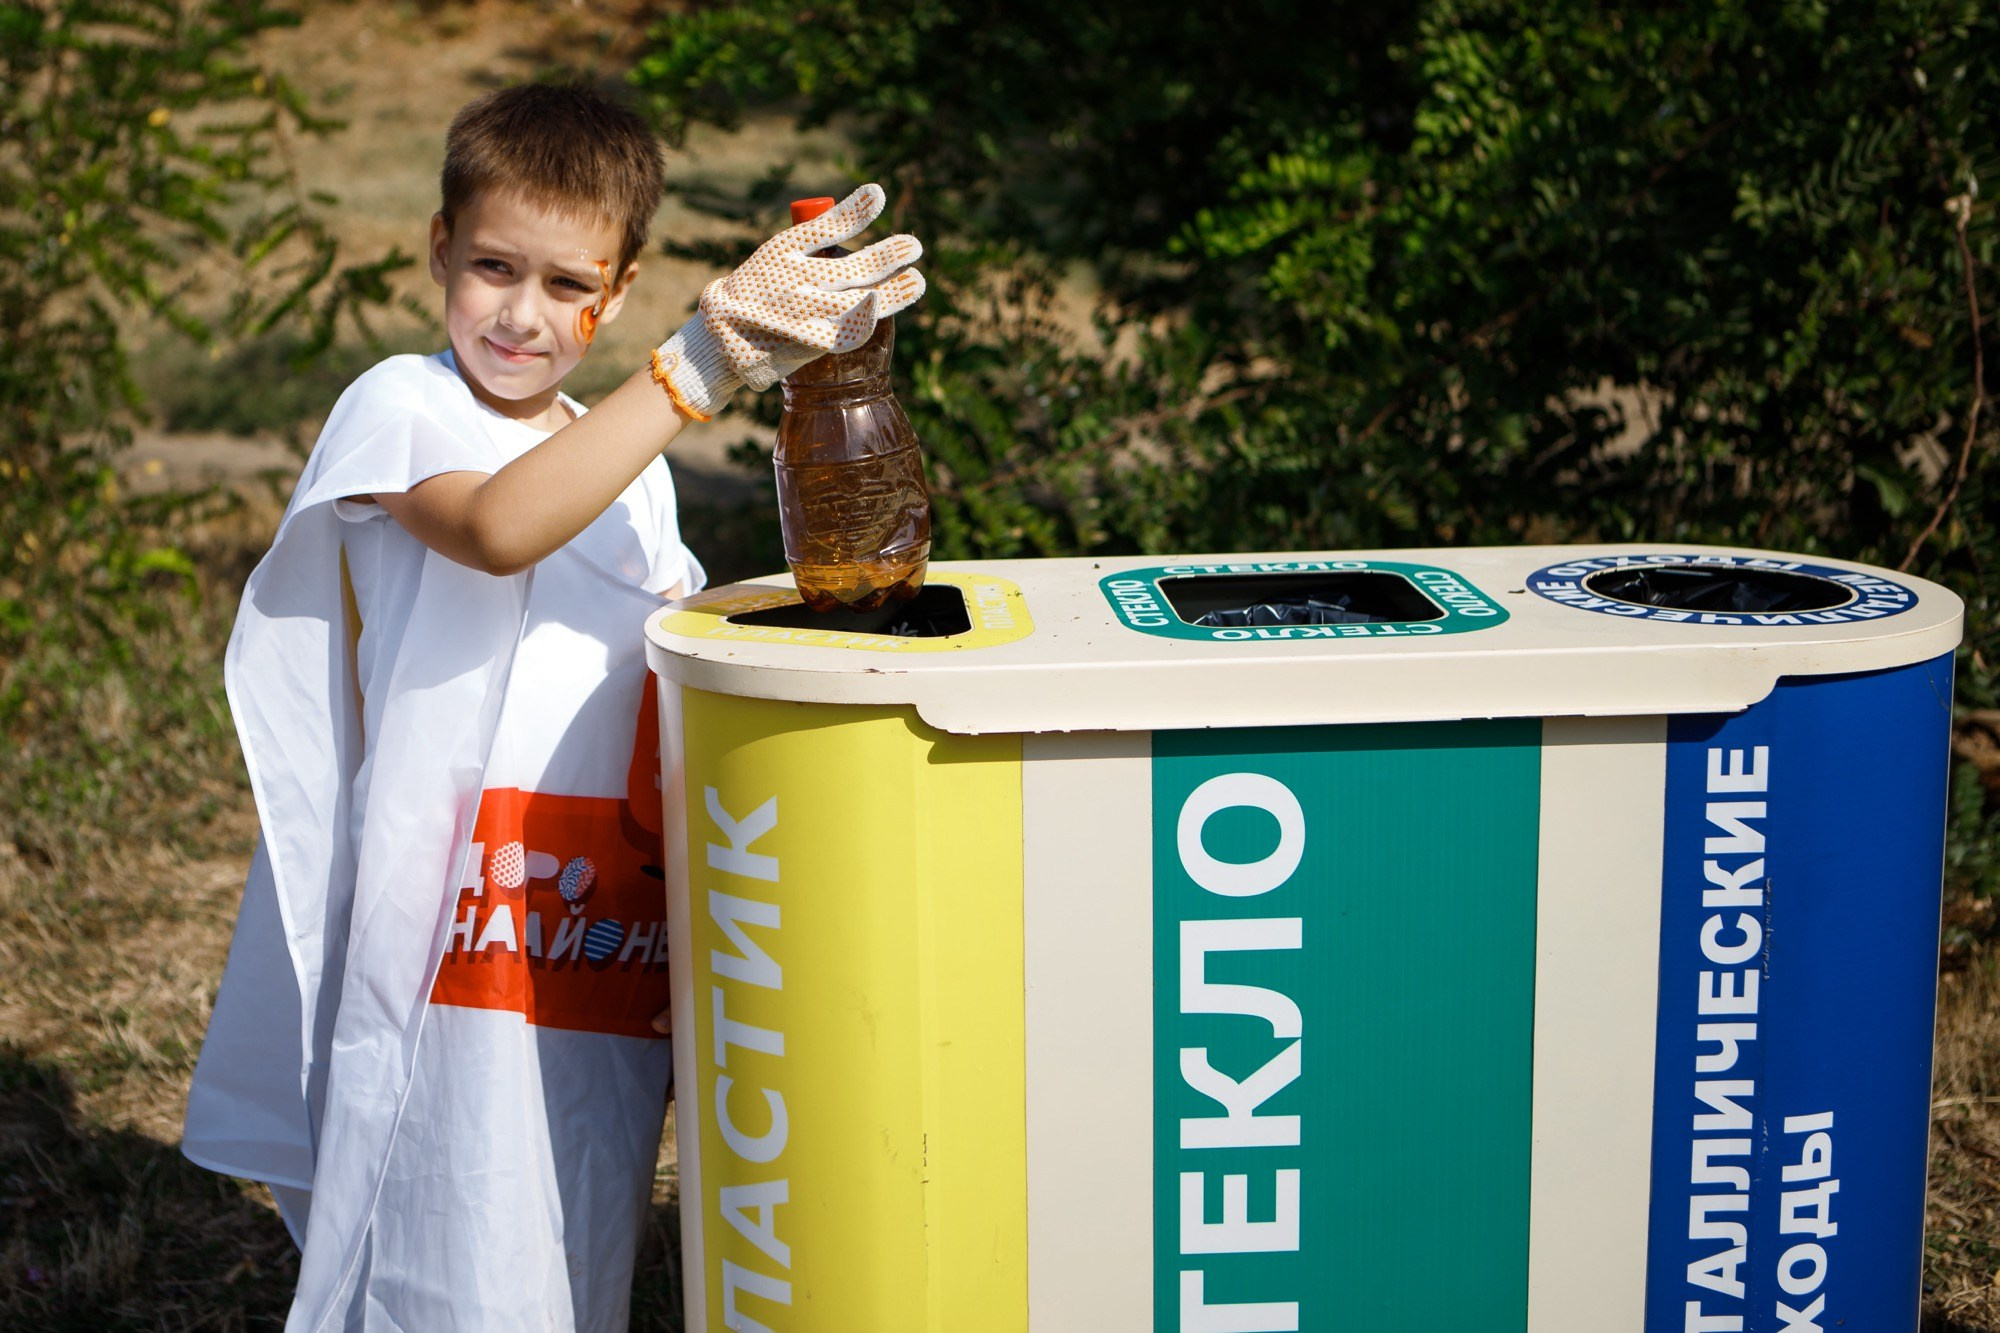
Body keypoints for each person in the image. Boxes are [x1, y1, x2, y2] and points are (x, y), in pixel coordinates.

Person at [179, 82, 925, 1333]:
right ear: (436, 251)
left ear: (618, 289)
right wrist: (697, 366)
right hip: (447, 939)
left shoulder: (627, 468)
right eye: (491, 269)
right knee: (442, 1239)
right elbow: (498, 525)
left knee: (569, 1240)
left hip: (590, 941)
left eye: (567, 285)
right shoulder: (401, 408)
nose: (523, 315)